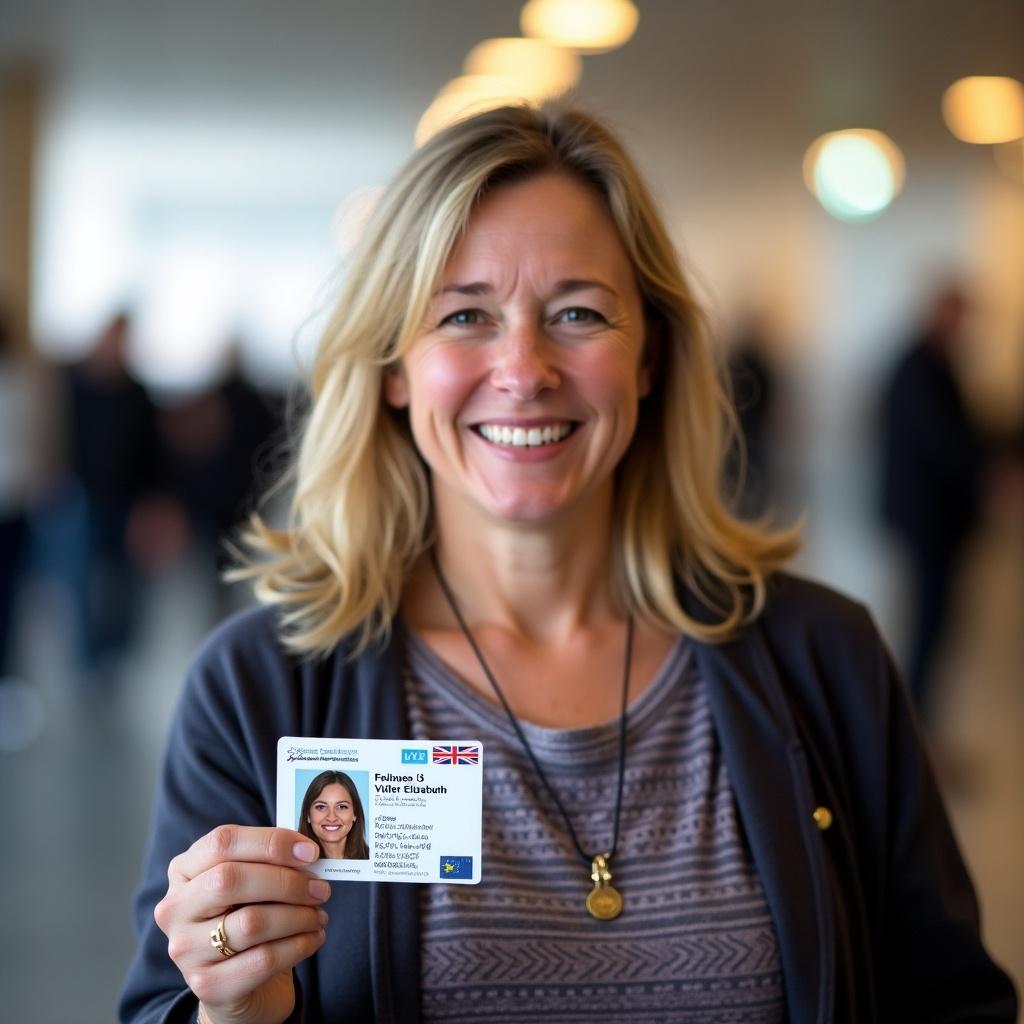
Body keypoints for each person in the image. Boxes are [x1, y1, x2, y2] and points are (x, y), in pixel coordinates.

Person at [120, 106, 1016, 1024]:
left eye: (578, 313)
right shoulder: (262, 687)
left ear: (651, 357)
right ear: (394, 367)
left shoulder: (823, 656)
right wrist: (232, 1012)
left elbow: (953, 1004)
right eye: (465, 314)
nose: (524, 368)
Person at [879, 285, 988, 716]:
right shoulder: (918, 366)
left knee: (935, 625)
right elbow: (940, 439)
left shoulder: (934, 362)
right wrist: (989, 472)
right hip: (927, 519)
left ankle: (923, 725)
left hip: (937, 518)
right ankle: (918, 726)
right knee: (928, 625)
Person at [297, 771, 369, 860]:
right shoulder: (295, 864)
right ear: (308, 815)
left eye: (342, 807)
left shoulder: (376, 861)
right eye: (321, 807)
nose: (332, 818)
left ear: (355, 814)